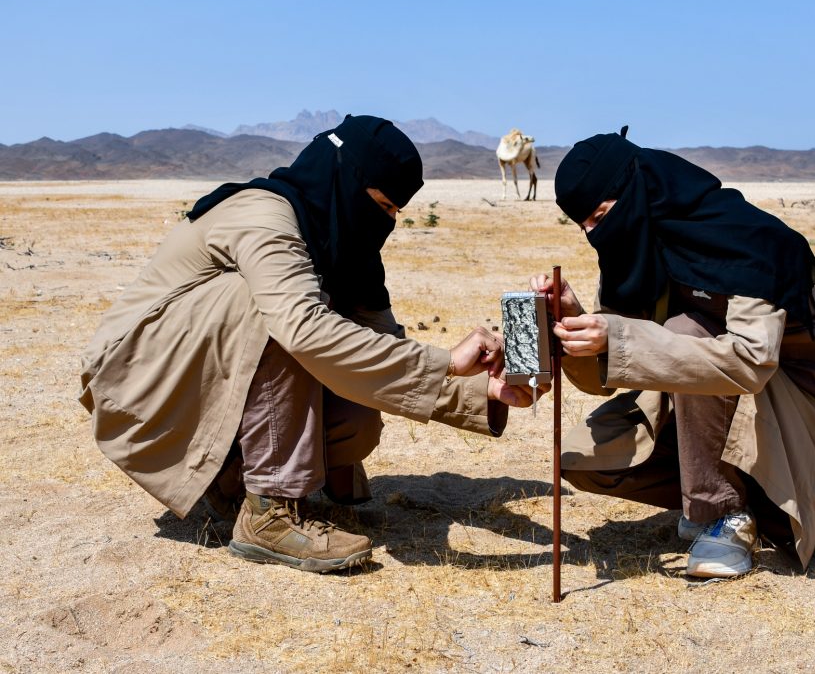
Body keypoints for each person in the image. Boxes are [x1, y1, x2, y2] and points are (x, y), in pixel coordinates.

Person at [80, 115, 539, 573]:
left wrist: (484, 390)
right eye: (381, 204)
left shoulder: (346, 249)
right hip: (140, 382)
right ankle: (269, 514)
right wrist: (446, 362)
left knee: (357, 418)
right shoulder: (265, 215)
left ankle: (230, 475)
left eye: (394, 212)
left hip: (201, 380)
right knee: (276, 312)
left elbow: (383, 350)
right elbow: (303, 328)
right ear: (345, 178)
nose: (385, 222)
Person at [531, 128, 815, 578]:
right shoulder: (635, 251)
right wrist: (574, 321)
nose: (594, 233)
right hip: (703, 407)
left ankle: (724, 512)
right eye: (584, 224)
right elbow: (603, 376)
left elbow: (750, 363)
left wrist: (617, 336)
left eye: (601, 216)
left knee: (687, 330)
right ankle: (715, 491)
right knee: (583, 458)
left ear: (637, 192)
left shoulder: (748, 241)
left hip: (796, 409)